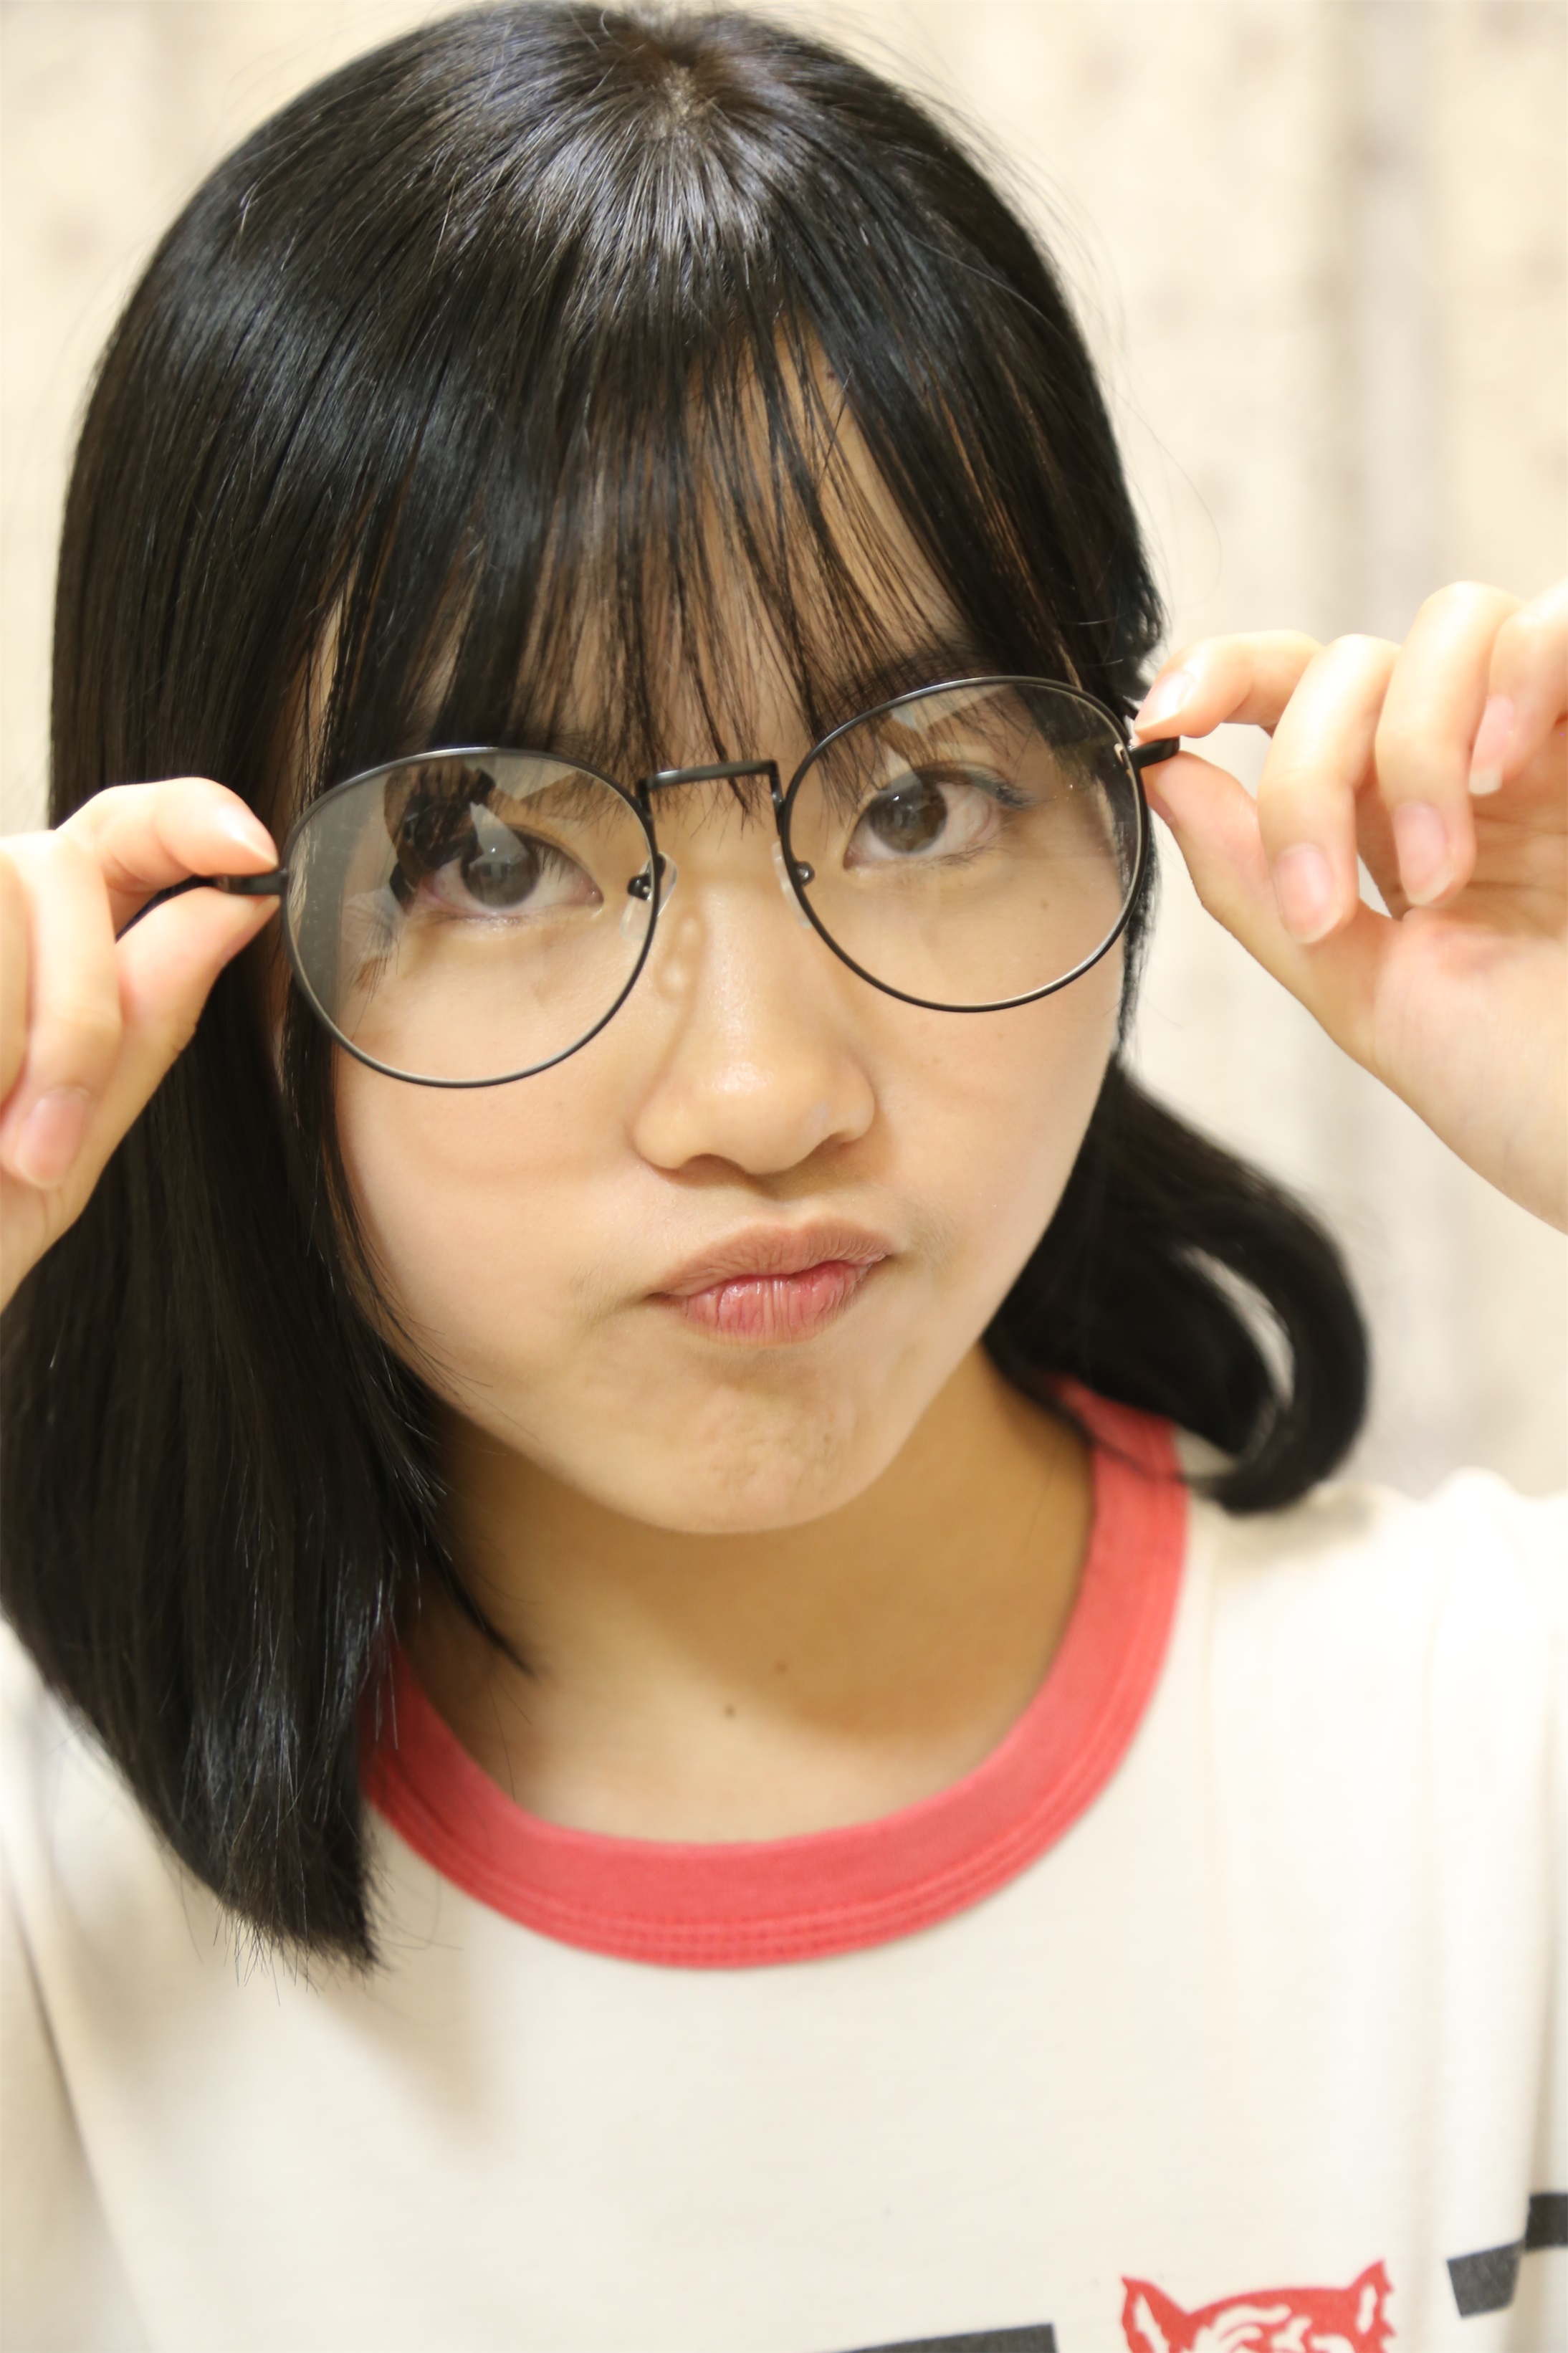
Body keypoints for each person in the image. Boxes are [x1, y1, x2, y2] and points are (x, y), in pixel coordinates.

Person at [0, 7, 1562, 2349]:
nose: (758, 1090)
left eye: (916, 800)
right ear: (204, 937)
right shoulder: (50, 1929)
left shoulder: (1494, 1767)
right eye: (488, 852)